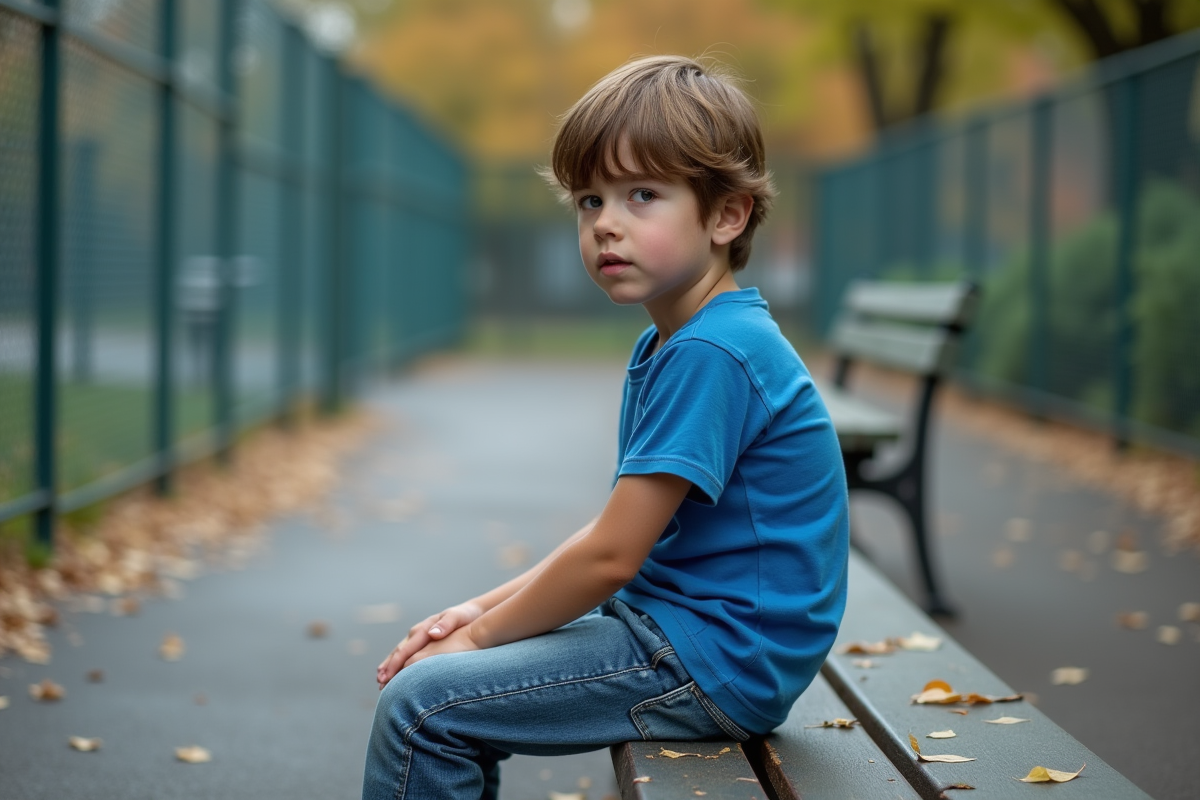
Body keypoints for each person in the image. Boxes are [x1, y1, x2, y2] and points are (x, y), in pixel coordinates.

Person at [362, 54, 849, 800]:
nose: (606, 224)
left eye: (642, 195)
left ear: (726, 214)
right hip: (694, 636)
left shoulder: (713, 352)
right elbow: (614, 535)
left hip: (714, 659)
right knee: (447, 694)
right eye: (590, 201)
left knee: (423, 709)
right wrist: (476, 610)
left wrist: (475, 641)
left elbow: (612, 556)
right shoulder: (678, 341)